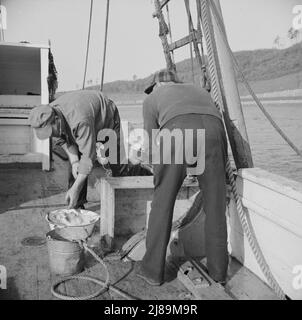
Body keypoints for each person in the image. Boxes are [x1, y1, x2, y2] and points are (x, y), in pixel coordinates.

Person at [137, 70, 228, 285]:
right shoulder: (198, 90)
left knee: (162, 204)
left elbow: (151, 145)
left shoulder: (151, 99)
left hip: (176, 134)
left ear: (156, 85)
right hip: (215, 133)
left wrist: (160, 171)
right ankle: (219, 274)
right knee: (215, 207)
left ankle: (152, 272)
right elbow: (204, 123)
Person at [29, 90, 151, 209]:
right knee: (76, 168)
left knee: (116, 163)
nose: (52, 135)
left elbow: (88, 158)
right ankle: (77, 205)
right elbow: (63, 140)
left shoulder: (80, 121)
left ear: (56, 120)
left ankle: (142, 177)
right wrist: (74, 161)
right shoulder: (48, 113)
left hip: (106, 118)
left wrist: (76, 186)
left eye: (52, 131)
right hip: (82, 120)